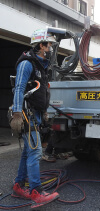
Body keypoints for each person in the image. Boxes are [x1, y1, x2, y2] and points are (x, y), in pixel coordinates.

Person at [10, 28, 59, 209]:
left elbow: (41, 90)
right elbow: (19, 88)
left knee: (27, 152)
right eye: (49, 45)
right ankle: (37, 192)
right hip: (26, 114)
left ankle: (18, 186)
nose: (51, 48)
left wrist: (44, 111)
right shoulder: (27, 63)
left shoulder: (41, 65)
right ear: (41, 45)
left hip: (36, 114)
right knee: (36, 151)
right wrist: (16, 114)